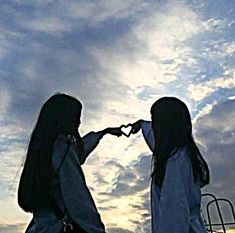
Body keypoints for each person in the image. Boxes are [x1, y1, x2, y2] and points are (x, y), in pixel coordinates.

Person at [18, 93, 123, 233]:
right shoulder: (63, 148)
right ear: (65, 118)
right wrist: (96, 229)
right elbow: (78, 197)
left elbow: (78, 152)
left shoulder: (43, 150)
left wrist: (103, 133)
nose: (79, 122)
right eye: (77, 117)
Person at [130, 97, 210, 233]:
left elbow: (174, 216)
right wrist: (143, 124)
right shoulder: (180, 154)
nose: (153, 126)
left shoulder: (176, 162)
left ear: (163, 125)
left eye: (155, 120)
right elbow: (156, 140)